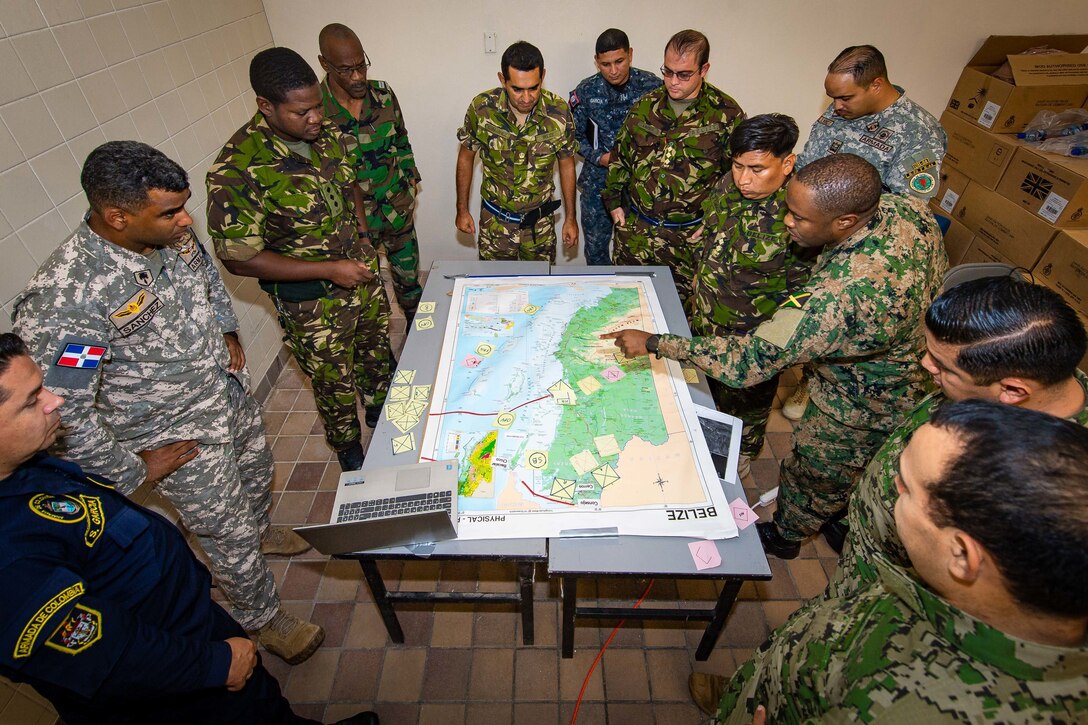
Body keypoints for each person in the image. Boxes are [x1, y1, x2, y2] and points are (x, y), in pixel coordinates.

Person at [12, 141, 322, 665]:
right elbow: (69, 411)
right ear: (117, 216)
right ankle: (264, 617)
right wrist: (132, 470)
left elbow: (204, 278)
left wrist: (226, 329)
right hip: (174, 435)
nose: (186, 220)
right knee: (224, 532)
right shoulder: (71, 298)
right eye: (171, 212)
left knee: (256, 472)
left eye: (184, 206)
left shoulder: (170, 233)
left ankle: (262, 529)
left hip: (223, 396)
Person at [0, 334, 379, 725]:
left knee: (262, 704)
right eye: (31, 400)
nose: (55, 400)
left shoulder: (26, 469)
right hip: (170, 681)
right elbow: (105, 658)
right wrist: (214, 665)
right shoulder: (7, 563)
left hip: (185, 619)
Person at [604, 154, 947, 559]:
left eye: (800, 218)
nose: (787, 221)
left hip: (864, 395)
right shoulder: (906, 210)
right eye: (789, 208)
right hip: (914, 364)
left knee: (819, 469)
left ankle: (785, 536)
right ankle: (839, 519)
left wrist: (656, 343)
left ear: (845, 222)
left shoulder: (840, 296)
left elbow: (749, 362)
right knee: (865, 463)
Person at [701, 401, 1088, 722]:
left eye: (904, 486)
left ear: (962, 554)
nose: (890, 487)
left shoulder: (909, 709)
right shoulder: (951, 591)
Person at [830, 276, 1088, 599]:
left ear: (1013, 390)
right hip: (871, 538)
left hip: (894, 587)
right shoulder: (1010, 373)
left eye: (941, 366)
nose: (925, 365)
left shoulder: (1052, 489)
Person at [207, 47, 393, 473]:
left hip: (359, 277)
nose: (315, 119)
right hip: (312, 304)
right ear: (266, 107)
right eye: (301, 112)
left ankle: (380, 413)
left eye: (317, 108)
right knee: (333, 381)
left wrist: (363, 238)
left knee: (375, 355)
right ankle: (349, 449)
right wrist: (329, 269)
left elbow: (351, 188)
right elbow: (240, 258)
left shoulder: (324, 134)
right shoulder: (237, 168)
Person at [783, 44, 947, 423]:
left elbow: (906, 213)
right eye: (832, 97)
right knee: (804, 315)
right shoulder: (839, 111)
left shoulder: (917, 132)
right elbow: (810, 165)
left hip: (857, 254)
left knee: (840, 326)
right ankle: (810, 367)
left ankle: (816, 381)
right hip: (816, 236)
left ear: (876, 84)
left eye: (844, 97)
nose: (836, 105)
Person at [690, 114, 813, 477]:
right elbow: (711, 232)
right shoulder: (731, 184)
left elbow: (806, 294)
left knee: (745, 409)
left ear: (787, 163)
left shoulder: (801, 216)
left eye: (757, 169)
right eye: (738, 165)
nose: (744, 178)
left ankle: (741, 453)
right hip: (707, 323)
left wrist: (770, 349)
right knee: (704, 398)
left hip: (751, 343)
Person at [602, 29, 744, 303]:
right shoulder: (645, 107)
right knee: (624, 308)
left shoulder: (726, 114)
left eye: (683, 74)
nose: (672, 81)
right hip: (637, 235)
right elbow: (621, 158)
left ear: (704, 69)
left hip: (688, 240)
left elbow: (735, 176)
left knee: (681, 317)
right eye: (667, 72)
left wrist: (718, 220)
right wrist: (613, 202)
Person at [318, 23, 423, 320]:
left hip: (396, 210)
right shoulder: (315, 109)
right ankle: (380, 358)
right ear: (324, 64)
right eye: (346, 70)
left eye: (361, 66)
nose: (357, 76)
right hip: (352, 224)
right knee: (368, 296)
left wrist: (410, 177)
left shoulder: (383, 94)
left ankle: (417, 338)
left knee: (410, 284)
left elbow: (401, 139)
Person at [455, 41, 578, 262]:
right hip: (496, 222)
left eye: (534, 87)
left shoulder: (558, 112)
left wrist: (571, 217)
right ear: (502, 80)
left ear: (543, 77)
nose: (526, 97)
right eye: (517, 89)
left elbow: (567, 164)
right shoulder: (482, 109)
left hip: (540, 225)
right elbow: (466, 157)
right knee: (494, 288)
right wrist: (461, 209)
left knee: (541, 289)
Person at [568, 28, 661, 265]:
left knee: (635, 252)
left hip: (638, 186)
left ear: (630, 54)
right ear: (597, 62)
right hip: (598, 185)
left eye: (619, 61)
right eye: (605, 64)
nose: (613, 70)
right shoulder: (586, 91)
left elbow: (667, 133)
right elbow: (574, 137)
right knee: (596, 252)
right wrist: (600, 158)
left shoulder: (652, 87)